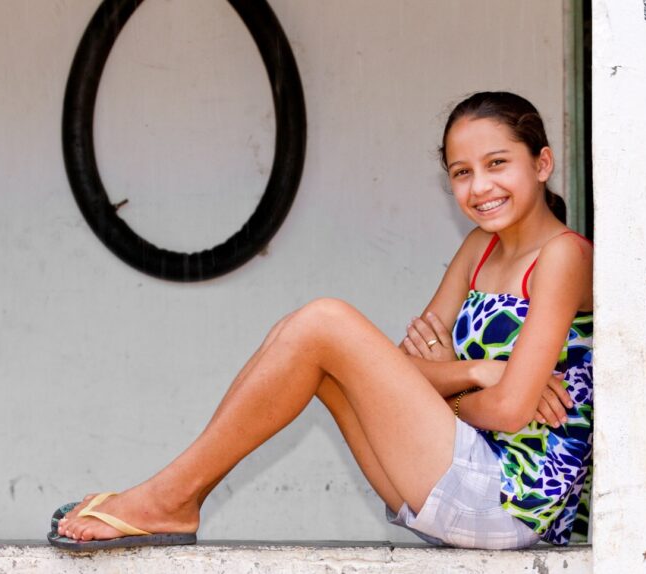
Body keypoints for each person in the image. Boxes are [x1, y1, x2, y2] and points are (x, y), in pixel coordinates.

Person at [49, 91, 593, 551]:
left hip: (514, 504)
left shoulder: (564, 256)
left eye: (498, 164)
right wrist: (476, 371)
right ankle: (176, 499)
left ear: (541, 164)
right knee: (318, 357)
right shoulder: (479, 248)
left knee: (325, 323)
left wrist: (454, 380)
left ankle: (170, 498)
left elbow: (507, 409)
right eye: (461, 172)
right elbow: (405, 370)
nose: (480, 188)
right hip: (449, 475)